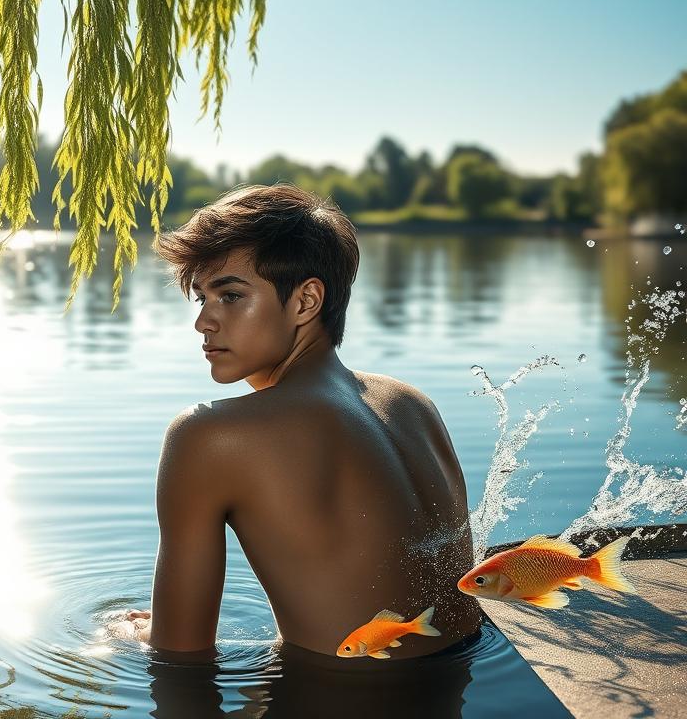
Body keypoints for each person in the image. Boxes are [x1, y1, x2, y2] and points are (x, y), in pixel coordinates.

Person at [111, 183, 482, 663]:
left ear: (306, 302)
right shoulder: (412, 404)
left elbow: (179, 654)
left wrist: (135, 635)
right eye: (202, 298)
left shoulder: (207, 435)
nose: (203, 322)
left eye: (230, 295)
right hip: (459, 684)